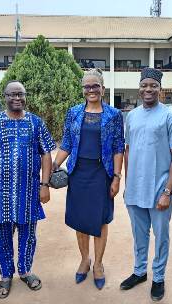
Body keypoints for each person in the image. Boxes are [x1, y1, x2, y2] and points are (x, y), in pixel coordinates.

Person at [0, 81, 56, 299]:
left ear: (25, 96)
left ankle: (26, 271)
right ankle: (5, 275)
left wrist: (44, 185)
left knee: (29, 236)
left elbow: (46, 153)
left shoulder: (35, 123)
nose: (17, 98)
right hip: (0, 193)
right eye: (12, 94)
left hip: (29, 193)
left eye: (20, 94)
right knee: (2, 237)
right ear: (4, 97)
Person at [53, 68, 124, 290]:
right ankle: (85, 260)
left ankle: (99, 264)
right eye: (87, 86)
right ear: (83, 89)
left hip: (101, 174)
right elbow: (66, 143)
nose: (91, 90)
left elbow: (118, 147)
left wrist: (116, 177)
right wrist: (54, 165)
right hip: (78, 173)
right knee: (81, 220)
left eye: (95, 86)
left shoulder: (114, 115)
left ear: (102, 89)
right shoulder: (73, 112)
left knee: (100, 220)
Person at [120, 67, 172, 302]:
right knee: (139, 236)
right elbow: (128, 151)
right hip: (135, 191)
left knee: (161, 237)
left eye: (153, 86)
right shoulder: (132, 116)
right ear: (139, 88)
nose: (148, 89)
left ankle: (158, 277)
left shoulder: (169, 116)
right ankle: (139, 272)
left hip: (160, 190)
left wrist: (168, 191)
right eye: (144, 85)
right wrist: (128, 184)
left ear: (160, 90)